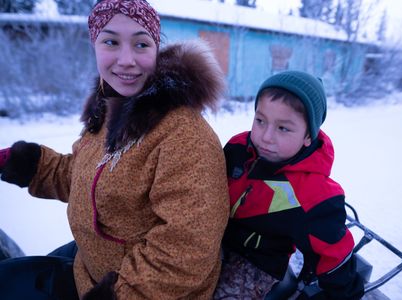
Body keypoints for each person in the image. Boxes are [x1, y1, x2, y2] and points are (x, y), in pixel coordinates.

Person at [0, 0, 230, 299]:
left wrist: (118, 295)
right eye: (111, 41)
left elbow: (186, 250)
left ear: (156, 50)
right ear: (94, 45)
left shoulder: (185, 136)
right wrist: (31, 165)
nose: (126, 60)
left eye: (141, 44)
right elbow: (90, 176)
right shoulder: (111, 109)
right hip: (91, 271)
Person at [213, 71, 365, 299]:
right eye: (260, 121)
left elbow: (333, 253)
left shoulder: (314, 195)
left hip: (257, 264)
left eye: (283, 128)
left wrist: (344, 293)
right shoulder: (237, 148)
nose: (265, 136)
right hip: (215, 237)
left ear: (308, 137)